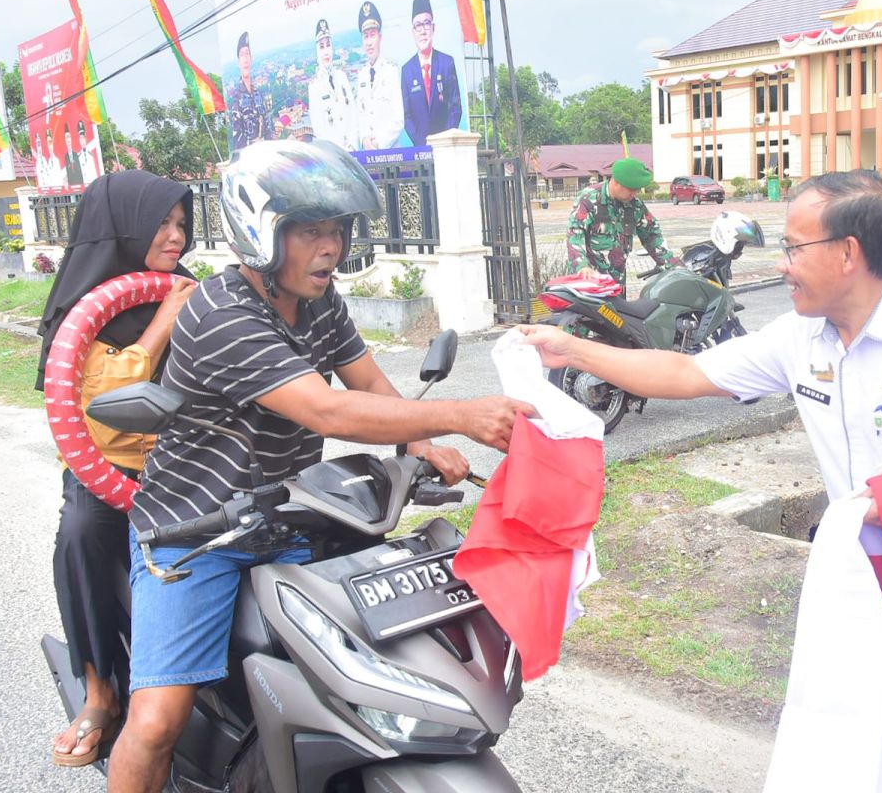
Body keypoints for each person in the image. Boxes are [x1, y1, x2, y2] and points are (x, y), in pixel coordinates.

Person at [523, 170, 882, 793]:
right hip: (872, 591)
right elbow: (684, 372)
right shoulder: (802, 338)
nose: (783, 265)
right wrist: (574, 350)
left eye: (793, 248)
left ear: (848, 253)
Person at [106, 139, 533, 792]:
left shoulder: (318, 301)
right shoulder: (221, 313)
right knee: (158, 719)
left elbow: (367, 384)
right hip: (197, 532)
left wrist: (420, 447)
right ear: (262, 233)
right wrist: (462, 414)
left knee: (376, 670)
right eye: (309, 232)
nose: (329, 248)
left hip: (291, 519)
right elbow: (327, 411)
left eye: (336, 230)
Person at [36, 170, 199, 768]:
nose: (175, 235)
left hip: (185, 467)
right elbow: (102, 416)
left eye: (182, 223)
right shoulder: (82, 310)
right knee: (80, 533)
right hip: (106, 471)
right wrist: (161, 327)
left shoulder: (194, 292)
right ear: (124, 228)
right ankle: (99, 692)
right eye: (161, 222)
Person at [566, 157, 678, 292]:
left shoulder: (634, 206)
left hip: (617, 283)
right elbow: (575, 234)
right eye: (632, 189)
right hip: (590, 284)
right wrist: (582, 266)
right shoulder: (589, 199)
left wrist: (673, 265)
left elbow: (652, 236)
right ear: (616, 182)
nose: (635, 193)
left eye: (637, 189)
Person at [400, 0, 461, 146]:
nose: (423, 31)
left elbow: (455, 108)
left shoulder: (447, 63)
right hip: (420, 150)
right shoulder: (407, 70)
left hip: (446, 147)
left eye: (426, 24)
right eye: (418, 26)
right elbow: (406, 116)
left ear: (433, 28)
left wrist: (444, 141)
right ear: (412, 31)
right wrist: (422, 142)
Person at [354, 0, 405, 150]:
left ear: (380, 38)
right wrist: (364, 139)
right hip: (369, 156)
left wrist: (379, 143)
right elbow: (360, 116)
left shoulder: (391, 71)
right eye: (366, 37)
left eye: (372, 35)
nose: (369, 42)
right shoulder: (361, 76)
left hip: (391, 154)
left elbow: (398, 119)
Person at [307, 18, 357, 150]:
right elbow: (320, 130)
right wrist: (341, 152)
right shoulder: (314, 86)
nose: (326, 51)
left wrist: (352, 145)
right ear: (317, 51)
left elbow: (353, 113)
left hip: (353, 152)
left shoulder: (342, 77)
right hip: (335, 156)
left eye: (328, 45)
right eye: (322, 46)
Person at [229, 32, 268, 150]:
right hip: (249, 156)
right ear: (238, 62)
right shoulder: (236, 98)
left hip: (266, 151)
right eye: (242, 55)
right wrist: (253, 144)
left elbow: (268, 125)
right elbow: (237, 138)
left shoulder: (258, 94)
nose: (245, 58)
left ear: (251, 59)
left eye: (247, 54)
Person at [76, 121, 102, 185]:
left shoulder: (91, 155)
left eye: (84, 137)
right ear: (79, 140)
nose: (83, 141)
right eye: (81, 138)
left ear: (86, 139)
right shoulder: (78, 157)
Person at [63, 125, 84, 190]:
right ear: (65, 140)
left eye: (69, 137)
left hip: (80, 187)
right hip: (70, 188)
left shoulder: (77, 155)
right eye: (66, 137)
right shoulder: (65, 157)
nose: (68, 140)